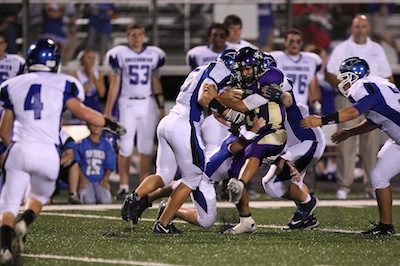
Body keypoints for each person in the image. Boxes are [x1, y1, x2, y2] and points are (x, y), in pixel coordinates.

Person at [0, 38, 124, 263]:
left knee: (7, 205)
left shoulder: (12, 85)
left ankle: (4, 248)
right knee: (38, 197)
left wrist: (12, 148)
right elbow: (85, 113)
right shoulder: (65, 83)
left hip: (20, 148)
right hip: (48, 153)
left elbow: (4, 131)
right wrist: (111, 124)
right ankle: (25, 222)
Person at [120, 57, 245, 234]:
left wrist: (224, 105)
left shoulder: (199, 71)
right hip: (184, 124)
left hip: (168, 121)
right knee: (192, 178)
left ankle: (135, 196)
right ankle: (163, 224)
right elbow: (204, 98)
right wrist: (227, 109)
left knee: (163, 175)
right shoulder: (219, 70)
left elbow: (210, 101)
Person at [301, 56, 399, 235]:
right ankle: (386, 226)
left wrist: (321, 120)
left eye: (345, 78)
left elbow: (353, 112)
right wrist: (350, 132)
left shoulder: (360, 87)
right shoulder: (380, 83)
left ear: (354, 76)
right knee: (379, 176)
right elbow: (377, 120)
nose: (343, 83)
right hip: (397, 141)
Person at [325, 14, 393, 200]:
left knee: (371, 144)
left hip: (373, 99)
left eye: (363, 26)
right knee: (346, 141)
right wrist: (347, 91)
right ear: (352, 28)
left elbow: (388, 76)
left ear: (368, 28)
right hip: (349, 99)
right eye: (357, 26)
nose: (360, 30)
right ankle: (344, 185)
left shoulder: (377, 48)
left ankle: (372, 184)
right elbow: (330, 73)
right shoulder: (342, 48)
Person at [104, 24, 166, 199]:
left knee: (146, 146)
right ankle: (123, 186)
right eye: (132, 34)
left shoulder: (153, 55)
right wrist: (108, 111)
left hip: (147, 103)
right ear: (128, 36)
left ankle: (142, 187)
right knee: (125, 145)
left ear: (144, 35)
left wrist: (161, 107)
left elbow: (156, 82)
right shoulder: (120, 54)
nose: (136, 37)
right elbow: (114, 84)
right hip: (127, 103)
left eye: (139, 34)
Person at [270, 29, 322, 113]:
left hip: (302, 107)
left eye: (298, 41)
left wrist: (317, 108)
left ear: (302, 43)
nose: (294, 44)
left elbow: (313, 86)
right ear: (285, 42)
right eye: (291, 41)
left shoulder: (311, 59)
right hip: (280, 106)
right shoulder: (276, 58)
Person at [75, 123, 116, 204]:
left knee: (106, 201)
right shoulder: (81, 143)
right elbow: (76, 164)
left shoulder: (107, 145)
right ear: (88, 126)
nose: (96, 126)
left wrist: (106, 179)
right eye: (93, 124)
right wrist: (82, 179)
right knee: (88, 201)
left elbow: (110, 165)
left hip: (100, 180)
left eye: (98, 124)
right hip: (86, 179)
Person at [72, 48, 106, 113]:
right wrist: (87, 83)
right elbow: (76, 94)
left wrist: (94, 79)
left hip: (94, 107)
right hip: (81, 106)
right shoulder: (75, 74)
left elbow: (102, 93)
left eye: (93, 58)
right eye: (89, 58)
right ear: (82, 60)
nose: (92, 61)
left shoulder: (98, 74)